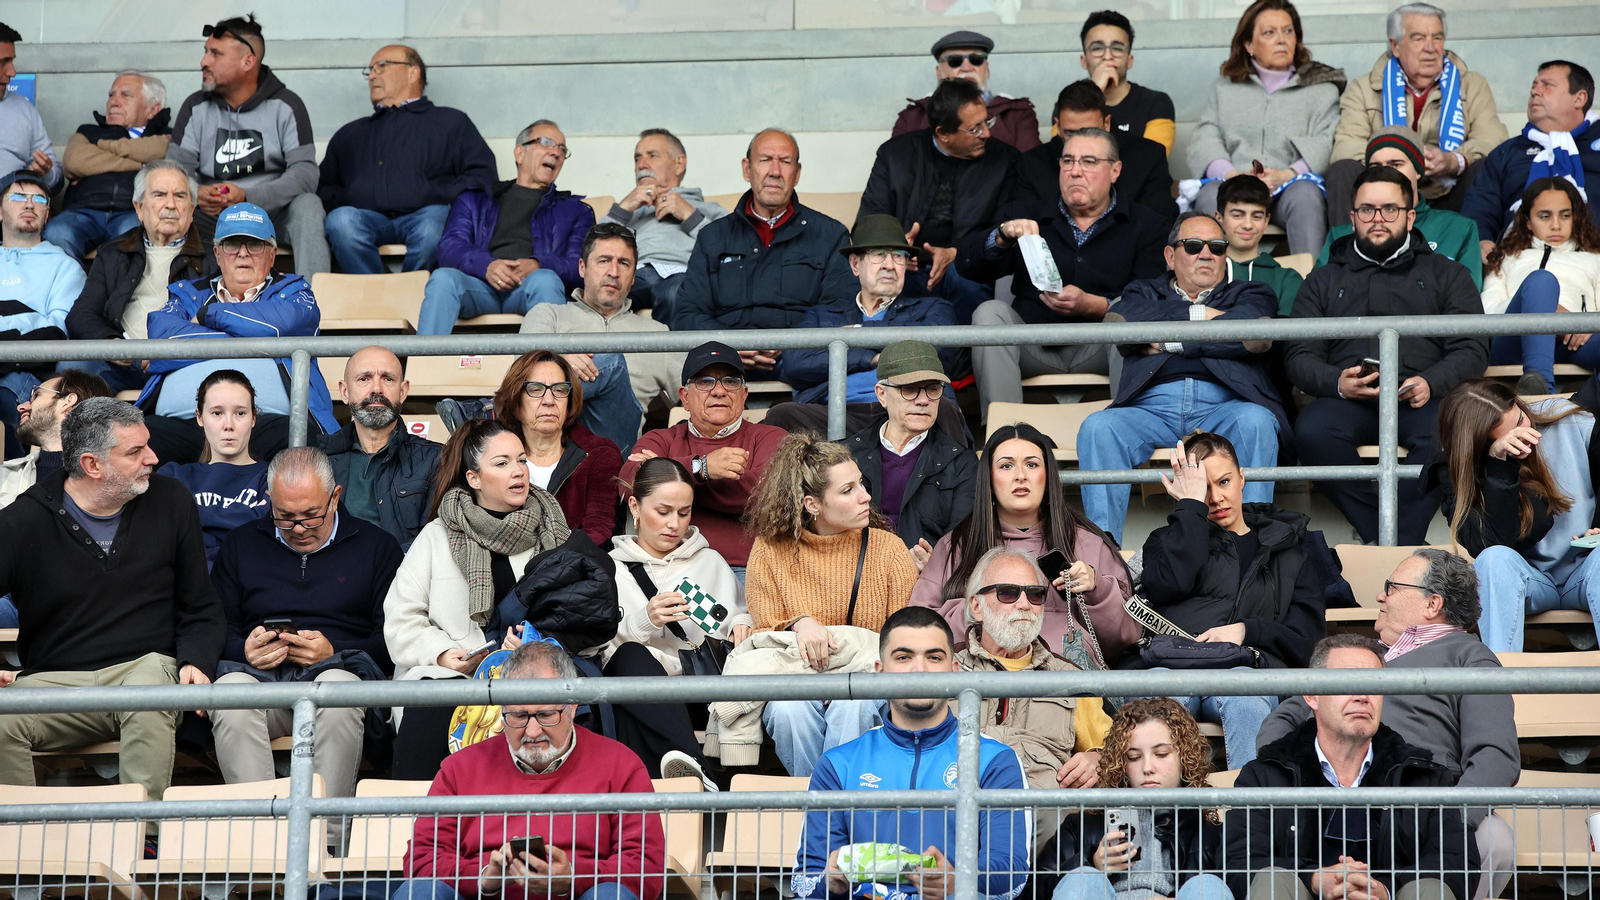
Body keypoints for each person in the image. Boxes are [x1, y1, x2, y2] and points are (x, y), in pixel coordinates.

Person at [1257, 548, 1519, 900]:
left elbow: (1495, 756)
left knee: (1494, 837)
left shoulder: (1469, 657)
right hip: (1327, 799)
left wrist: (1447, 824)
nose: (1380, 596)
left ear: (1432, 604)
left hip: (1415, 814)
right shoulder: (1362, 656)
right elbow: (1288, 713)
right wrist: (1286, 768)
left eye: (1391, 587)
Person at [0, 398, 222, 807]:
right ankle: (19, 846)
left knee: (148, 693)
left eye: (148, 445)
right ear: (92, 465)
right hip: (56, 682)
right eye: (135, 452)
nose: (153, 459)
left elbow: (201, 605)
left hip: (144, 668)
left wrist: (196, 659)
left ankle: (142, 840)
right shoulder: (24, 519)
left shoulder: (172, 500)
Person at [1287, 165, 1486, 544]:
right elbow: (1298, 353)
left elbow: (1473, 347)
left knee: (1451, 432)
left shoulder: (1448, 274)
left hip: (1425, 399)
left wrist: (1432, 381)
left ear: (1410, 216)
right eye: (1367, 209)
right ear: (1352, 217)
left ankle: (1391, 539)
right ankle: (1390, 535)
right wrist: (1337, 383)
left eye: (1390, 209)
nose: (1378, 218)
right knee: (1311, 430)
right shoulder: (1324, 279)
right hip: (1348, 401)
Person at [209, 446, 401, 842]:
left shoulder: (377, 547)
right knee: (228, 693)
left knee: (339, 689)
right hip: (259, 682)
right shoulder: (242, 544)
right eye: (285, 516)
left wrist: (335, 651)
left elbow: (395, 640)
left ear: (336, 496)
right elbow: (213, 629)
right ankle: (263, 844)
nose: (298, 528)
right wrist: (243, 649)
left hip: (335, 681)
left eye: (311, 515)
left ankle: (326, 847)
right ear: (269, 502)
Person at [395, 641, 667, 900]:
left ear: (573, 706)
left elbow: (646, 864)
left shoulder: (621, 765)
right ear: (502, 709)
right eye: (519, 716)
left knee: (612, 895)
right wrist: (483, 878)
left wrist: (573, 876)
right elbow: (422, 859)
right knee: (418, 892)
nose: (532, 731)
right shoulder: (459, 769)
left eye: (547, 714)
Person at [793, 606, 1031, 900]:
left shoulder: (995, 760)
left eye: (934, 657)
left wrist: (959, 881)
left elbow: (1013, 873)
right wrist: (831, 881)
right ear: (879, 673)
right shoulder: (837, 764)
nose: (920, 669)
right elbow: (806, 880)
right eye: (904, 657)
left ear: (955, 672)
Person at [383, 419, 574, 780]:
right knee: (435, 700)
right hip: (449, 676)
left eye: (521, 460)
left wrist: (533, 644)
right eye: (501, 464)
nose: (517, 472)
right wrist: (441, 653)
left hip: (530, 679)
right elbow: (401, 618)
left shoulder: (551, 530)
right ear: (473, 478)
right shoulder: (437, 535)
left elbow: (573, 613)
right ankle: (410, 824)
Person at [1081, 213, 1284, 543]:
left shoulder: (1250, 293)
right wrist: (1212, 324)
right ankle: (1102, 553)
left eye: (1217, 247)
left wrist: (1168, 339)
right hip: (1149, 407)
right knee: (1097, 428)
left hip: (1224, 404)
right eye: (1193, 245)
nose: (1206, 254)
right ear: (1170, 256)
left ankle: (1251, 548)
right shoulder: (1141, 291)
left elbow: (1254, 337)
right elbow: (1119, 321)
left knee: (1258, 421)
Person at [1227, 633, 1478, 900]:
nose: (1362, 695)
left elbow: (1460, 861)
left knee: (1429, 890)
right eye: (1348, 681)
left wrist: (1386, 889)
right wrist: (1313, 878)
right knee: (1272, 881)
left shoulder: (1424, 777)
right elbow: (1237, 861)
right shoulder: (1264, 776)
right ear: (1312, 695)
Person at [1136, 432, 1326, 768]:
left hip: (1248, 671)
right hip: (1173, 667)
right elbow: (1168, 587)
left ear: (1242, 477)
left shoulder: (1288, 548)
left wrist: (1247, 631)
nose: (1216, 497)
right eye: (1203, 488)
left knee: (1246, 701)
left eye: (1224, 481)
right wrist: (1190, 510)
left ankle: (1250, 818)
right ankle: (1161, 818)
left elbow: (1308, 641)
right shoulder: (1164, 541)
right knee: (1160, 705)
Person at [744, 433, 920, 776]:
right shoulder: (769, 550)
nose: (865, 496)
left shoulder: (888, 549)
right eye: (848, 490)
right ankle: (824, 804)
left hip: (866, 677)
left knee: (852, 707)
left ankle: (831, 808)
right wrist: (798, 622)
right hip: (796, 678)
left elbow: (903, 635)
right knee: (786, 711)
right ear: (812, 504)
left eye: (861, 484)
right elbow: (764, 632)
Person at [962, 127, 1168, 419]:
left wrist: (1098, 306)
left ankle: (1126, 429)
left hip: (1102, 347)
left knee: (1128, 314)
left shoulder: (1147, 225)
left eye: (1089, 162)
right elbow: (968, 267)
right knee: (989, 312)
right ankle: (1005, 435)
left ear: (1115, 170)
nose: (1075, 171)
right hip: (1034, 346)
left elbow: (1153, 303)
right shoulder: (1028, 214)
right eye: (1067, 161)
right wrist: (1001, 236)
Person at [913, 423, 1140, 665]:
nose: (1020, 475)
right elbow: (919, 630)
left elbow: (1127, 638)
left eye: (1032, 464)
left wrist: (1097, 591)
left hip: (1065, 686)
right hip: (979, 684)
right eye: (1006, 465)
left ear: (1048, 475)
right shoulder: (956, 545)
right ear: (988, 477)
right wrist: (979, 609)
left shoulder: (1088, 544)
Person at [139, 201, 339, 464]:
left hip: (268, 424)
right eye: (232, 245)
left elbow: (287, 323)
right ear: (218, 253)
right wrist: (252, 340)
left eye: (255, 245)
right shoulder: (189, 292)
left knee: (304, 445)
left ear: (273, 253)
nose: (243, 254)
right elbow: (162, 337)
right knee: (137, 443)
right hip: (185, 423)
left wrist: (207, 317)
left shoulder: (295, 293)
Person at [955, 547, 1112, 849]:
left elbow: (1113, 747)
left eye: (1036, 594)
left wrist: (1097, 759)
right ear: (976, 605)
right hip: (957, 824)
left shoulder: (1070, 679)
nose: (1025, 604)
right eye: (1008, 593)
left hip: (1048, 845)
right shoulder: (946, 669)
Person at [671, 129, 856, 376]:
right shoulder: (713, 237)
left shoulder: (830, 235)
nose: (775, 171)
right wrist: (730, 343)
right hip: (723, 362)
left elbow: (841, 310)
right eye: (766, 159)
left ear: (797, 173)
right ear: (747, 169)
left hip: (801, 364)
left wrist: (788, 343)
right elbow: (686, 314)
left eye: (785, 162)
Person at [765, 217, 966, 443]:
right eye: (878, 254)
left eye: (899, 256)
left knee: (944, 411)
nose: (890, 265)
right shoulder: (821, 316)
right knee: (781, 415)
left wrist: (857, 333)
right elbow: (796, 364)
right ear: (855, 265)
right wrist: (871, 358)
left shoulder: (932, 308)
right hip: (838, 414)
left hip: (910, 412)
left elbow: (938, 352)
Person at [1434, 379, 1600, 652]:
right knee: (1492, 560)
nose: (1529, 431)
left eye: (1522, 417)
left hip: (1585, 569)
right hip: (1531, 578)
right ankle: (1500, 686)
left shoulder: (1569, 420)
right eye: (1513, 434)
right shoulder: (1459, 469)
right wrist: (1499, 468)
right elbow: (1488, 545)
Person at [167, 14, 328, 275]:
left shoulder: (286, 105)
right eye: (206, 52)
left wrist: (248, 198)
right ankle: (174, 306)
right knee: (168, 206)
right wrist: (195, 192)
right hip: (210, 216)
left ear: (248, 61)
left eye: (215, 54)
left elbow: (306, 174)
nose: (204, 62)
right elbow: (173, 172)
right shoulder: (195, 107)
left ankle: (313, 304)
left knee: (308, 205)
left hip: (272, 213)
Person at [319, 45, 496, 274]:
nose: (372, 75)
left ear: (413, 73)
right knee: (340, 221)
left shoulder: (451, 122)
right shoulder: (350, 134)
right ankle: (380, 296)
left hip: (427, 216)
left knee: (436, 224)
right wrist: (352, 195)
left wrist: (434, 193)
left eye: (381, 66)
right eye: (370, 70)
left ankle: (408, 295)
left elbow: (482, 178)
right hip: (366, 218)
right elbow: (323, 188)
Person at [1188, 0, 1344, 256]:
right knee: (1209, 195)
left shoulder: (1322, 89)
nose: (1281, 39)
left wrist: (1287, 174)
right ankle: (1208, 289)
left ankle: (1313, 289)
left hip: (1288, 187)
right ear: (1249, 44)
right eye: (1269, 33)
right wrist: (1231, 176)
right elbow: (1207, 135)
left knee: (1306, 196)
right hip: (1234, 183)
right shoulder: (1225, 87)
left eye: (1288, 31)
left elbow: (1327, 141)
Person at [1326, 3, 1506, 223]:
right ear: (1396, 46)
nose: (1431, 48)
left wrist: (1453, 161)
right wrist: (1397, 161)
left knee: (1484, 168)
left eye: (1437, 38)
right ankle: (1347, 254)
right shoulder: (1363, 87)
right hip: (1382, 199)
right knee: (1342, 170)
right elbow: (1344, 146)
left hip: (1448, 192)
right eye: (1419, 38)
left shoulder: (1472, 84)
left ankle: (1477, 252)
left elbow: (1493, 141)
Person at [620, 342, 787, 575]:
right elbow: (630, 483)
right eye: (705, 382)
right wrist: (703, 467)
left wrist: (670, 483)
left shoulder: (771, 437)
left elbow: (767, 498)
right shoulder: (660, 438)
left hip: (746, 570)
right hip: (670, 567)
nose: (719, 391)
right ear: (685, 397)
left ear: (744, 394)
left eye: (730, 381)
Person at [860, 77, 1020, 320]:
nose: (987, 133)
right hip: (905, 268)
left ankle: (970, 358)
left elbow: (1005, 228)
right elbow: (869, 220)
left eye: (987, 121)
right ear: (943, 133)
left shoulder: (1004, 161)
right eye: (975, 128)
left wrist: (957, 253)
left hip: (970, 266)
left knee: (965, 277)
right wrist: (894, 248)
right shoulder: (895, 156)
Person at [520, 223, 684, 456]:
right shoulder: (548, 315)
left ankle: (490, 416)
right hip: (542, 441)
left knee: (613, 361)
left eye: (624, 263)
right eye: (604, 260)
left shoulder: (656, 334)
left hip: (612, 455)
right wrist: (560, 363)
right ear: (582, 267)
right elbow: (521, 371)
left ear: (634, 276)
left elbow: (696, 393)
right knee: (534, 369)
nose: (614, 272)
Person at [419, 119, 593, 335]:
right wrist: (486, 265)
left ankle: (546, 368)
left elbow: (583, 267)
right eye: (547, 142)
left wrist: (538, 264)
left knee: (545, 280)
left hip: (532, 286)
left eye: (562, 148)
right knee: (442, 279)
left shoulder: (577, 211)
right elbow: (450, 246)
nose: (556, 152)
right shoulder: (476, 199)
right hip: (480, 285)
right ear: (520, 153)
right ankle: (424, 365)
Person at [1051, 698, 1232, 900]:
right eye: (1134, 757)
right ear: (1121, 764)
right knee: (1083, 878)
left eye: (1161, 754)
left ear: (1185, 758)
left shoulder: (1210, 834)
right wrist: (1092, 863)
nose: (1147, 768)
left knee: (1207, 886)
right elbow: (1033, 890)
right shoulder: (1079, 827)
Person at [63, 159, 209, 393]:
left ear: (192, 210)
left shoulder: (213, 256)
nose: (170, 204)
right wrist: (114, 345)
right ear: (139, 207)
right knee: (75, 367)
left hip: (186, 363)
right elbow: (81, 315)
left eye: (180, 196)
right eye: (160, 195)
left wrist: (170, 352)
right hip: (124, 366)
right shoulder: (114, 252)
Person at [609, 456, 752, 676]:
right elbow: (601, 653)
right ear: (635, 507)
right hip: (644, 694)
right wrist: (643, 622)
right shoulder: (610, 570)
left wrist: (742, 624)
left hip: (705, 692)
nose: (675, 524)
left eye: (684, 513)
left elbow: (742, 615)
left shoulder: (710, 562)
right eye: (663, 512)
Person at [843, 340, 979, 558]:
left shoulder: (963, 464)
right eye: (910, 389)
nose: (923, 400)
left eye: (933, 389)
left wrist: (934, 566)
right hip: (854, 578)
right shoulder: (846, 455)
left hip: (929, 584)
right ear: (881, 395)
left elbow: (962, 546)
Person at [1462, 60, 1600, 259]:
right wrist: (1482, 240)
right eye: (1534, 86)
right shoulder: (1508, 152)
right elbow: (1479, 207)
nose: (1535, 92)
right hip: (1517, 261)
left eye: (1547, 85)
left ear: (1579, 98)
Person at [1317, 127, 1483, 289]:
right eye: (1376, 167)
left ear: (1419, 171)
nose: (1386, 173)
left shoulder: (1458, 228)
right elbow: (1317, 293)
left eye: (1396, 164)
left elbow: (1468, 297)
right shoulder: (1340, 236)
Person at [1481, 178, 1600, 395]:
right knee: (1541, 280)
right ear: (1527, 221)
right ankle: (1543, 393)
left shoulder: (1594, 258)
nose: (1556, 225)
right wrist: (1549, 311)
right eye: (1545, 216)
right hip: (1515, 342)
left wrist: (1585, 324)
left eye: (1565, 215)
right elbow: (1488, 311)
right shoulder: (1505, 257)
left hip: (1575, 343)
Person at [491, 350, 623, 547]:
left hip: (570, 568)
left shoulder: (600, 454)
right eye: (535, 389)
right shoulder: (491, 454)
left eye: (560, 390)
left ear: (569, 402)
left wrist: (549, 564)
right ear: (515, 401)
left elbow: (599, 531)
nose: (549, 400)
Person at [599, 128, 728, 322]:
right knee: (601, 295)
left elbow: (730, 250)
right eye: (637, 159)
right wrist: (623, 208)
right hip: (634, 274)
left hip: (681, 274)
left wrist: (689, 214)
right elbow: (592, 249)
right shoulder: (627, 212)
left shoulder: (707, 209)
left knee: (676, 293)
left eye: (652, 156)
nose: (642, 165)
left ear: (679, 164)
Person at [320, 347, 441, 552]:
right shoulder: (319, 461)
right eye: (364, 379)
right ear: (344, 391)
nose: (376, 389)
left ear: (403, 392)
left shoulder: (436, 460)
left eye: (388, 379)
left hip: (402, 578)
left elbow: (436, 541)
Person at [44, 71, 171, 262]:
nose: (114, 101)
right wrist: (141, 163)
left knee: (134, 236)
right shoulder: (88, 131)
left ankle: (118, 293)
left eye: (125, 95)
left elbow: (165, 165)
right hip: (83, 210)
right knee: (57, 233)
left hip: (134, 211)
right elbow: (73, 162)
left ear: (153, 109)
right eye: (111, 95)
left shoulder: (165, 136)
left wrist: (102, 152)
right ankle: (72, 292)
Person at [0, 171, 86, 451]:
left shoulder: (65, 267)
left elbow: (57, 331)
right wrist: (25, 317)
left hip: (25, 372)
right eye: (18, 196)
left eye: (38, 198)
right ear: (0, 211)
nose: (28, 204)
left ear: (47, 214)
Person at [155, 369, 270, 568]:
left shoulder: (272, 477)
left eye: (240, 413)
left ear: (253, 418)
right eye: (217, 413)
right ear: (199, 417)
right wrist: (248, 518)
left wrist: (192, 517)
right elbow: (159, 534)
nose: (229, 425)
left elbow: (267, 537)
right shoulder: (173, 475)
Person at [1021, 80, 1175, 222]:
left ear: (1106, 123)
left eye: (1090, 131)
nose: (1080, 141)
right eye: (1070, 133)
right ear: (1058, 126)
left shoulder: (1148, 157)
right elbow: (1022, 226)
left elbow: (1159, 224)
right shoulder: (1033, 164)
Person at [891, 30, 1040, 152]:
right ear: (939, 72)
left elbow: (1029, 172)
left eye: (976, 59)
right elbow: (896, 168)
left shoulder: (1017, 114)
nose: (967, 67)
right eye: (955, 60)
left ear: (987, 70)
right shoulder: (912, 117)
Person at [0, 371, 111, 509]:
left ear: (68, 402)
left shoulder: (111, 478)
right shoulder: (6, 476)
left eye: (36, 395)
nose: (21, 407)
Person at [1078, 11, 1176, 154]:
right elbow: (1067, 161)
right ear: (1084, 61)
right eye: (1097, 48)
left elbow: (1149, 163)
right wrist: (1094, 93)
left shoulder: (1156, 103)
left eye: (1117, 48)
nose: (1107, 56)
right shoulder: (1068, 105)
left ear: (1130, 60)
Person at [1215, 175, 1304, 316]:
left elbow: (1288, 335)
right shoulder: (1205, 271)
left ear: (1266, 220)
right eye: (1237, 215)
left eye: (1257, 217)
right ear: (1219, 217)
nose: (1247, 225)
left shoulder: (1287, 279)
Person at [0, 23, 61, 194]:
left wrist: (46, 173)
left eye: (11, 61)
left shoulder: (24, 109)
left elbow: (55, 179)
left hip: (15, 212)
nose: (12, 72)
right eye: (3, 62)